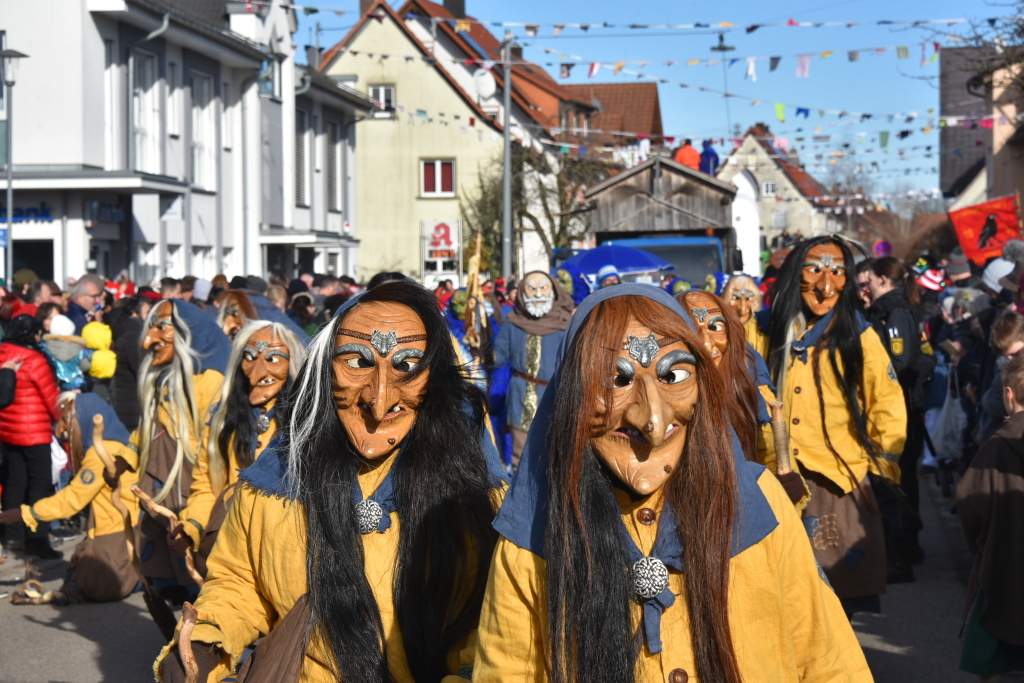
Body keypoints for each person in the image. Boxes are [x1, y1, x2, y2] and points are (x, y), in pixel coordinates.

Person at [475, 284, 871, 682]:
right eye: (614, 379)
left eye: (675, 375)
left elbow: (826, 657)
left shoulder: (760, 503)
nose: (652, 420)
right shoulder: (533, 535)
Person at [156, 281, 507, 683]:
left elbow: (498, 614)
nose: (379, 400)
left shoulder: (473, 493)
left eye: (407, 365)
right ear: (325, 371)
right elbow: (239, 583)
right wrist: (207, 642)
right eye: (356, 361)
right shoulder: (277, 478)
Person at [757, 236, 907, 616]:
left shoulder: (858, 334)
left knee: (840, 594)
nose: (827, 284)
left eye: (838, 271)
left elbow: (886, 400)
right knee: (785, 594)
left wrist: (878, 465)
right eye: (815, 269)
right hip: (776, 477)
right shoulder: (763, 331)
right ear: (794, 276)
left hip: (838, 479)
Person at [168, 321, 305, 575]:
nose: (257, 371)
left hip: (288, 549)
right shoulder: (223, 418)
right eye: (249, 358)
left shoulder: (308, 420)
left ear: (292, 363)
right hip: (230, 539)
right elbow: (207, 484)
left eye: (274, 358)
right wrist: (192, 526)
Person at [132, 299, 230, 601]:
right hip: (163, 492)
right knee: (167, 573)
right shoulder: (164, 377)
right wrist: (125, 457)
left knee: (200, 575)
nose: (149, 340)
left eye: (163, 327)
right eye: (150, 328)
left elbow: (210, 449)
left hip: (192, 487)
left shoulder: (210, 381)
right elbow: (148, 428)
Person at [0, 393, 140, 602]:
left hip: (116, 531)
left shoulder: (102, 453)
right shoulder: (117, 445)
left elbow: (71, 499)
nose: (63, 430)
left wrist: (25, 513)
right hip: (124, 527)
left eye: (66, 420)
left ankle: (140, 577)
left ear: (85, 417)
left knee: (94, 585)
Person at [866, 257, 934, 582]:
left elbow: (898, 360)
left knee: (897, 482)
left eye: (868, 282)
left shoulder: (895, 313)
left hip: (900, 409)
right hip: (907, 408)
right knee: (903, 480)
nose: (864, 289)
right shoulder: (899, 309)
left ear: (883, 280)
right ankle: (909, 547)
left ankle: (901, 555)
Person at [957, 355, 1024, 679]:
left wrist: (982, 547)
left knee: (999, 661)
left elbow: (969, 502)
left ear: (1008, 395)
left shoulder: (996, 447)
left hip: (1004, 565)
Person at [678, 290, 786, 481]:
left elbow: (768, 450)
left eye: (715, 327)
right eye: (692, 330)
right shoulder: (668, 397)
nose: (706, 343)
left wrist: (781, 485)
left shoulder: (749, 382)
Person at [493, 271, 573, 468]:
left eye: (543, 287)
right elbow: (498, 357)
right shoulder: (512, 323)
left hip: (555, 397)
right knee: (521, 459)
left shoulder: (566, 324)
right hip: (521, 398)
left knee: (556, 457)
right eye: (532, 288)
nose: (538, 294)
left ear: (553, 291)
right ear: (522, 293)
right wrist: (478, 346)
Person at [0, 315, 63, 559]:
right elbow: (51, 397)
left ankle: (13, 535)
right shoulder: (35, 359)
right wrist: (62, 419)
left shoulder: (3, 351)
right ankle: (37, 538)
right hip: (34, 431)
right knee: (40, 484)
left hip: (7, 428)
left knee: (14, 482)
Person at [107, 295, 151, 430]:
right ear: (135, 314)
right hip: (132, 406)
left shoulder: (122, 329)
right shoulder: (133, 336)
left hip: (124, 401)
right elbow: (142, 371)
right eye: (147, 313)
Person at [720, 273, 763, 343]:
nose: (743, 309)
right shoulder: (717, 329)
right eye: (735, 298)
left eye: (748, 298)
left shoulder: (763, 332)